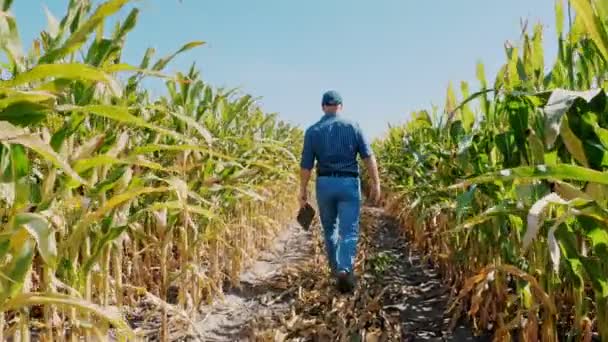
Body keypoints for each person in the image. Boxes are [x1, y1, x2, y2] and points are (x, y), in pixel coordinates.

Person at [298, 90, 381, 293]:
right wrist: (376, 183)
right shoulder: (353, 126)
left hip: (325, 184)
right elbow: (368, 157)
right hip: (349, 184)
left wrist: (302, 190)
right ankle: (345, 268)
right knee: (349, 230)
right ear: (340, 107)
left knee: (329, 229)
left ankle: (335, 270)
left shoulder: (313, 131)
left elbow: (306, 166)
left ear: (323, 106)